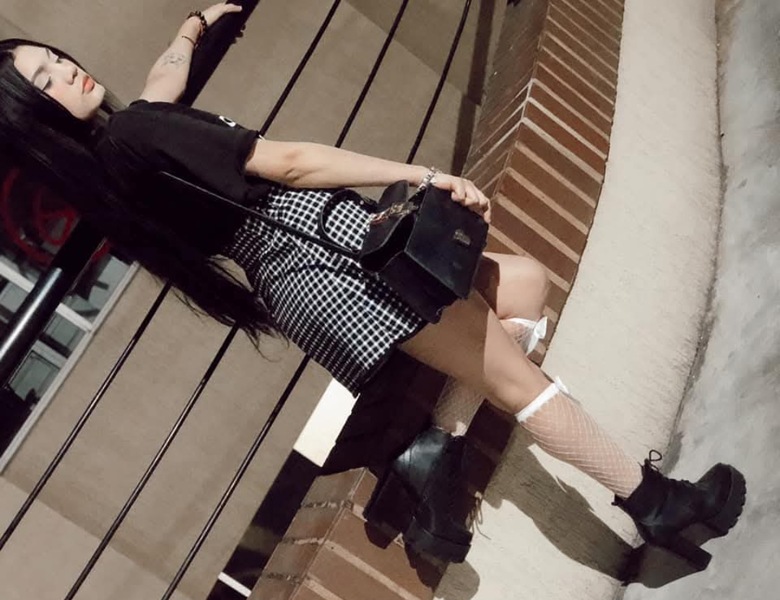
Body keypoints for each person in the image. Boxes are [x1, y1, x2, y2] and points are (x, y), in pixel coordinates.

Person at [0, 2, 745, 574]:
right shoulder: (137, 137)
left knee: (522, 284)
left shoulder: (115, 160)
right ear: (32, 113)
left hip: (301, 273)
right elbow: (288, 163)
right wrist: (422, 174)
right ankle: (654, 501)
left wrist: (195, 26)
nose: (67, 71)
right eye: (44, 80)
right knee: (516, 380)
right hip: (330, 253)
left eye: (56, 58)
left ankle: (436, 450)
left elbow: (161, 89)